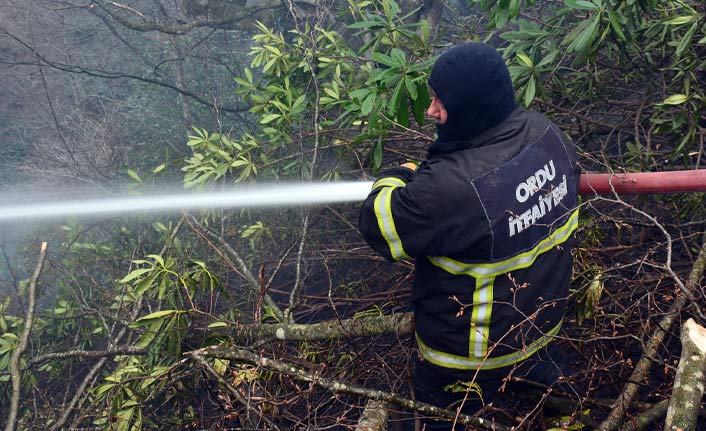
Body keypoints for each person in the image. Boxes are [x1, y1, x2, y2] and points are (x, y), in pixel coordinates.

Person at [358, 42, 581, 430]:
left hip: (468, 360)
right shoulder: (547, 134)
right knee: (546, 406)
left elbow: (378, 224)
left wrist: (396, 176)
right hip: (540, 332)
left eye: (438, 102)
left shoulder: (450, 189)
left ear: (470, 107)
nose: (430, 111)